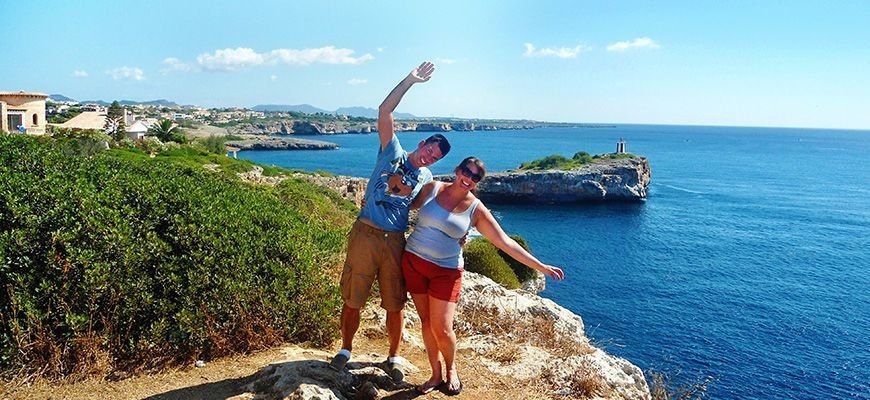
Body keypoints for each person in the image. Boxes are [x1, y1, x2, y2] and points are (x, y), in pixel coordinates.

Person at [402, 156, 565, 395]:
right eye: (466, 172)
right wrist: (376, 202)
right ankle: (435, 375)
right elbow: (405, 205)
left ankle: (451, 369)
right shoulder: (433, 187)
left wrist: (540, 266)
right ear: (457, 170)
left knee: (442, 328)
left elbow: (504, 242)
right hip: (414, 262)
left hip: (446, 271)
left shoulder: (476, 209)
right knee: (426, 322)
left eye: (475, 177)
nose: (469, 178)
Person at [330, 61, 452, 372]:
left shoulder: (426, 178)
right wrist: (410, 81)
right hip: (366, 234)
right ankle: (345, 349)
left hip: (395, 241)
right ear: (423, 143)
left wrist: (460, 231)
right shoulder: (392, 151)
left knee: (395, 302)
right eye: (429, 150)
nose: (429, 158)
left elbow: (420, 207)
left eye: (435, 158)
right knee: (353, 297)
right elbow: (385, 110)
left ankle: (394, 356)